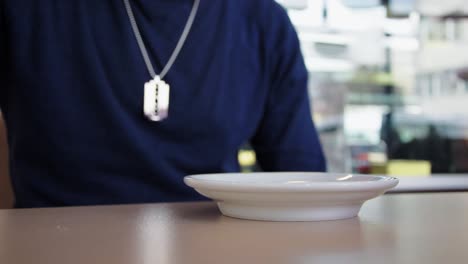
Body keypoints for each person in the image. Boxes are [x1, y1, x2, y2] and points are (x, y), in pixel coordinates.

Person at [0, 0, 326, 208]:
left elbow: (302, 182)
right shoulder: (24, 10)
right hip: (50, 244)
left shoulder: (262, 23)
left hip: (214, 243)